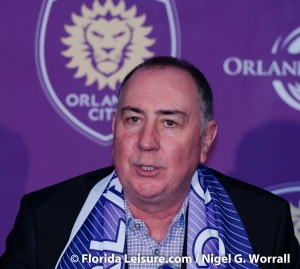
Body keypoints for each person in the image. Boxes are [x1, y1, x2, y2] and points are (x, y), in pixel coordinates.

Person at [0, 56, 299, 269]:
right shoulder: (46, 220)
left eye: (169, 122)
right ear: (115, 127)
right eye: (133, 119)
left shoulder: (264, 223)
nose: (146, 140)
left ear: (206, 139)